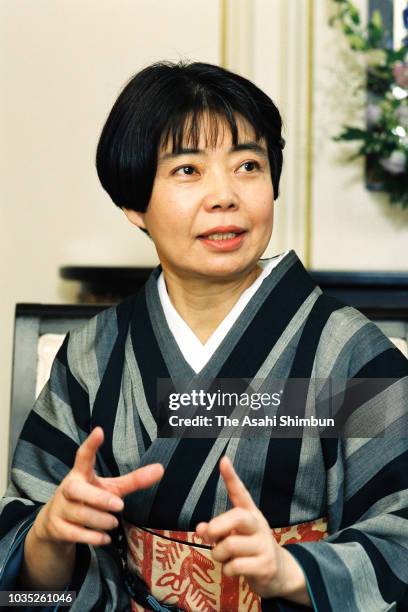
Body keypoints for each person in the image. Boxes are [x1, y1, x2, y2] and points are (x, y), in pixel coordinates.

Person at [1, 60, 407, 612]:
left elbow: (401, 537)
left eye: (247, 165)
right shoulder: (94, 359)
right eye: (188, 171)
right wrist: (50, 536)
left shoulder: (344, 355)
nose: (225, 195)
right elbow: (28, 590)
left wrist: (290, 570)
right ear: (133, 204)